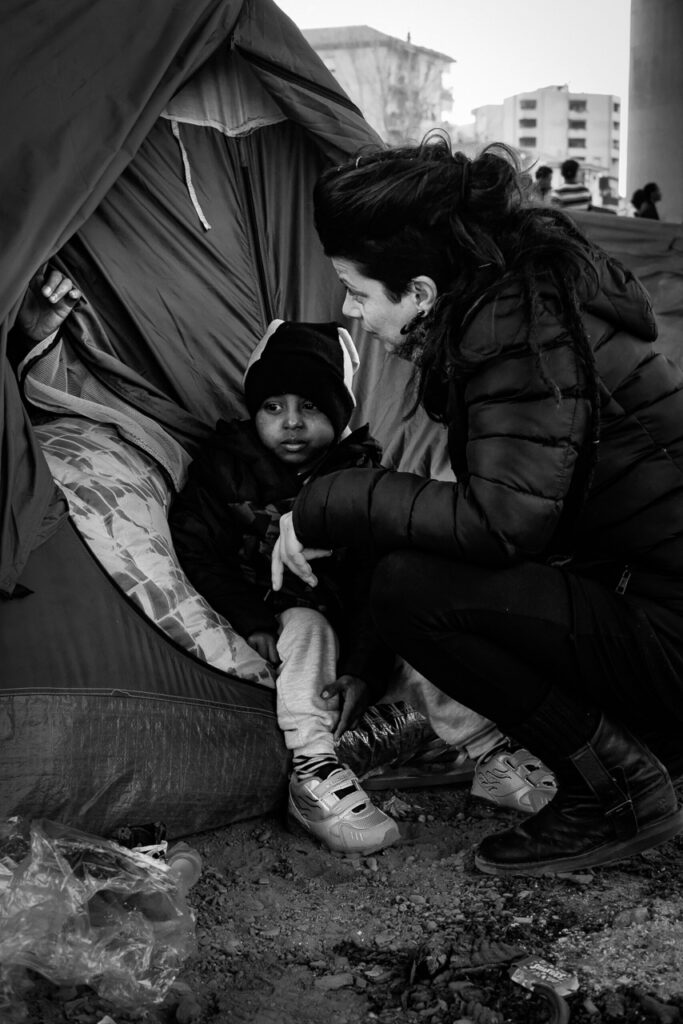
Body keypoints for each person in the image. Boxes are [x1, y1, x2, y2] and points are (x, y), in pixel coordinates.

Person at [271, 137, 683, 878]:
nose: (349, 310)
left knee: (412, 588)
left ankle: (618, 789)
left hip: (669, 627)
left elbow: (501, 524)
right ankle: (647, 751)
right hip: (646, 594)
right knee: (414, 557)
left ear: (422, 293)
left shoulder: (519, 332)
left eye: (357, 291)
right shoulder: (517, 304)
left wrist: (319, 502)